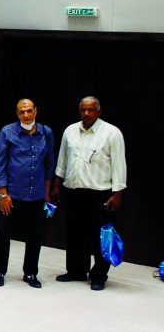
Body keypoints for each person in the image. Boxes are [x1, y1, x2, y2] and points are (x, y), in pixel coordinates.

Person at [53, 96, 126, 291]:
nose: (86, 113)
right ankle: (76, 271)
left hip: (101, 194)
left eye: (91, 110)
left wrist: (117, 192)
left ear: (99, 111)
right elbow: (62, 160)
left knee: (99, 236)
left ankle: (99, 275)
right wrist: (57, 184)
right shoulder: (70, 131)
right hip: (75, 191)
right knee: (76, 233)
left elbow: (119, 164)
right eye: (83, 110)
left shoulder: (111, 133)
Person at [0, 99, 55, 288]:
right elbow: (0, 164)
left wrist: (46, 192)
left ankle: (30, 273)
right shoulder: (8, 132)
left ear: (36, 111)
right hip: (12, 194)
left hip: (36, 194)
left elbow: (49, 163)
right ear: (17, 113)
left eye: (29, 111)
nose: (26, 115)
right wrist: (3, 194)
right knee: (4, 233)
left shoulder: (46, 132)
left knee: (35, 235)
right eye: (22, 112)